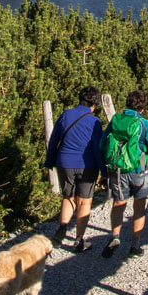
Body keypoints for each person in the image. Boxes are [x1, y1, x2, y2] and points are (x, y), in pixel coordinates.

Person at [100, 90, 148, 258]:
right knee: (139, 207)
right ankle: (135, 245)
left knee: (119, 203)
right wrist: (144, 152)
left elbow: (102, 144)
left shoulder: (115, 120)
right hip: (139, 169)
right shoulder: (144, 124)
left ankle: (115, 236)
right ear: (143, 107)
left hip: (118, 170)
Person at [45, 86, 104, 252]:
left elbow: (53, 139)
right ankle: (79, 240)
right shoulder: (94, 122)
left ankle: (63, 226)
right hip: (87, 165)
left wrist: (49, 161)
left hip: (64, 162)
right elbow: (97, 149)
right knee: (84, 201)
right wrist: (104, 172)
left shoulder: (65, 115)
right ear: (94, 104)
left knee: (68, 196)